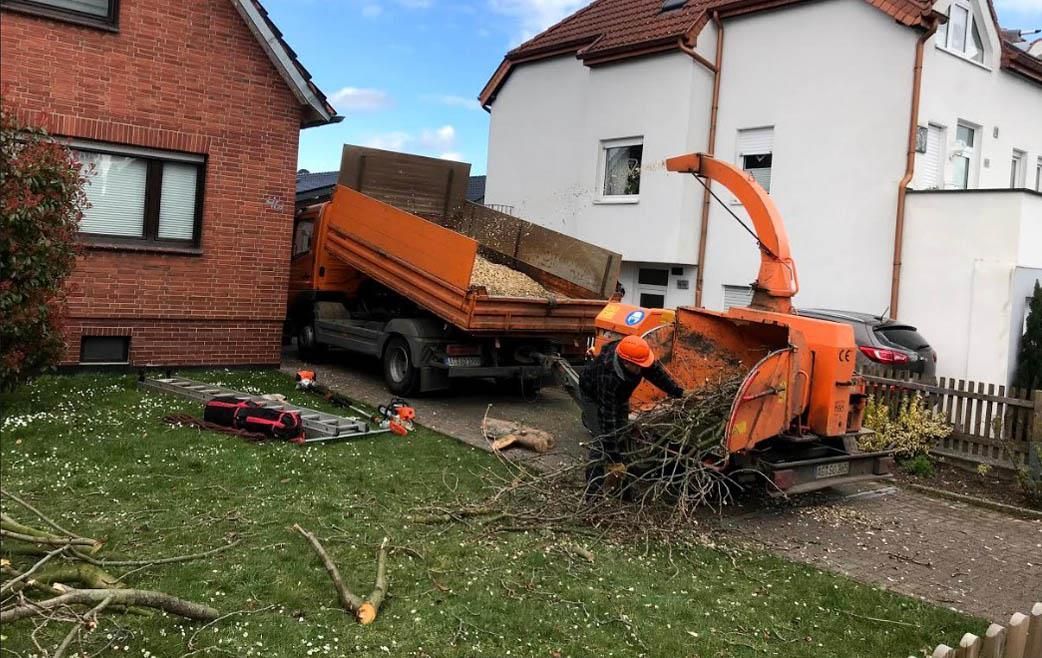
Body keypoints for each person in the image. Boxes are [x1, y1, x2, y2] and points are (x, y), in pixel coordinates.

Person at [578, 335, 684, 496]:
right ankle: (593, 493)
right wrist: (614, 460)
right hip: (593, 395)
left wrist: (679, 393)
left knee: (622, 433)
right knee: (602, 441)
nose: (642, 370)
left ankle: (621, 489)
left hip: (619, 396)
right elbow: (608, 420)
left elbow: (656, 374)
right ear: (626, 363)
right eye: (638, 367)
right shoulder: (608, 374)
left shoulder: (638, 357)